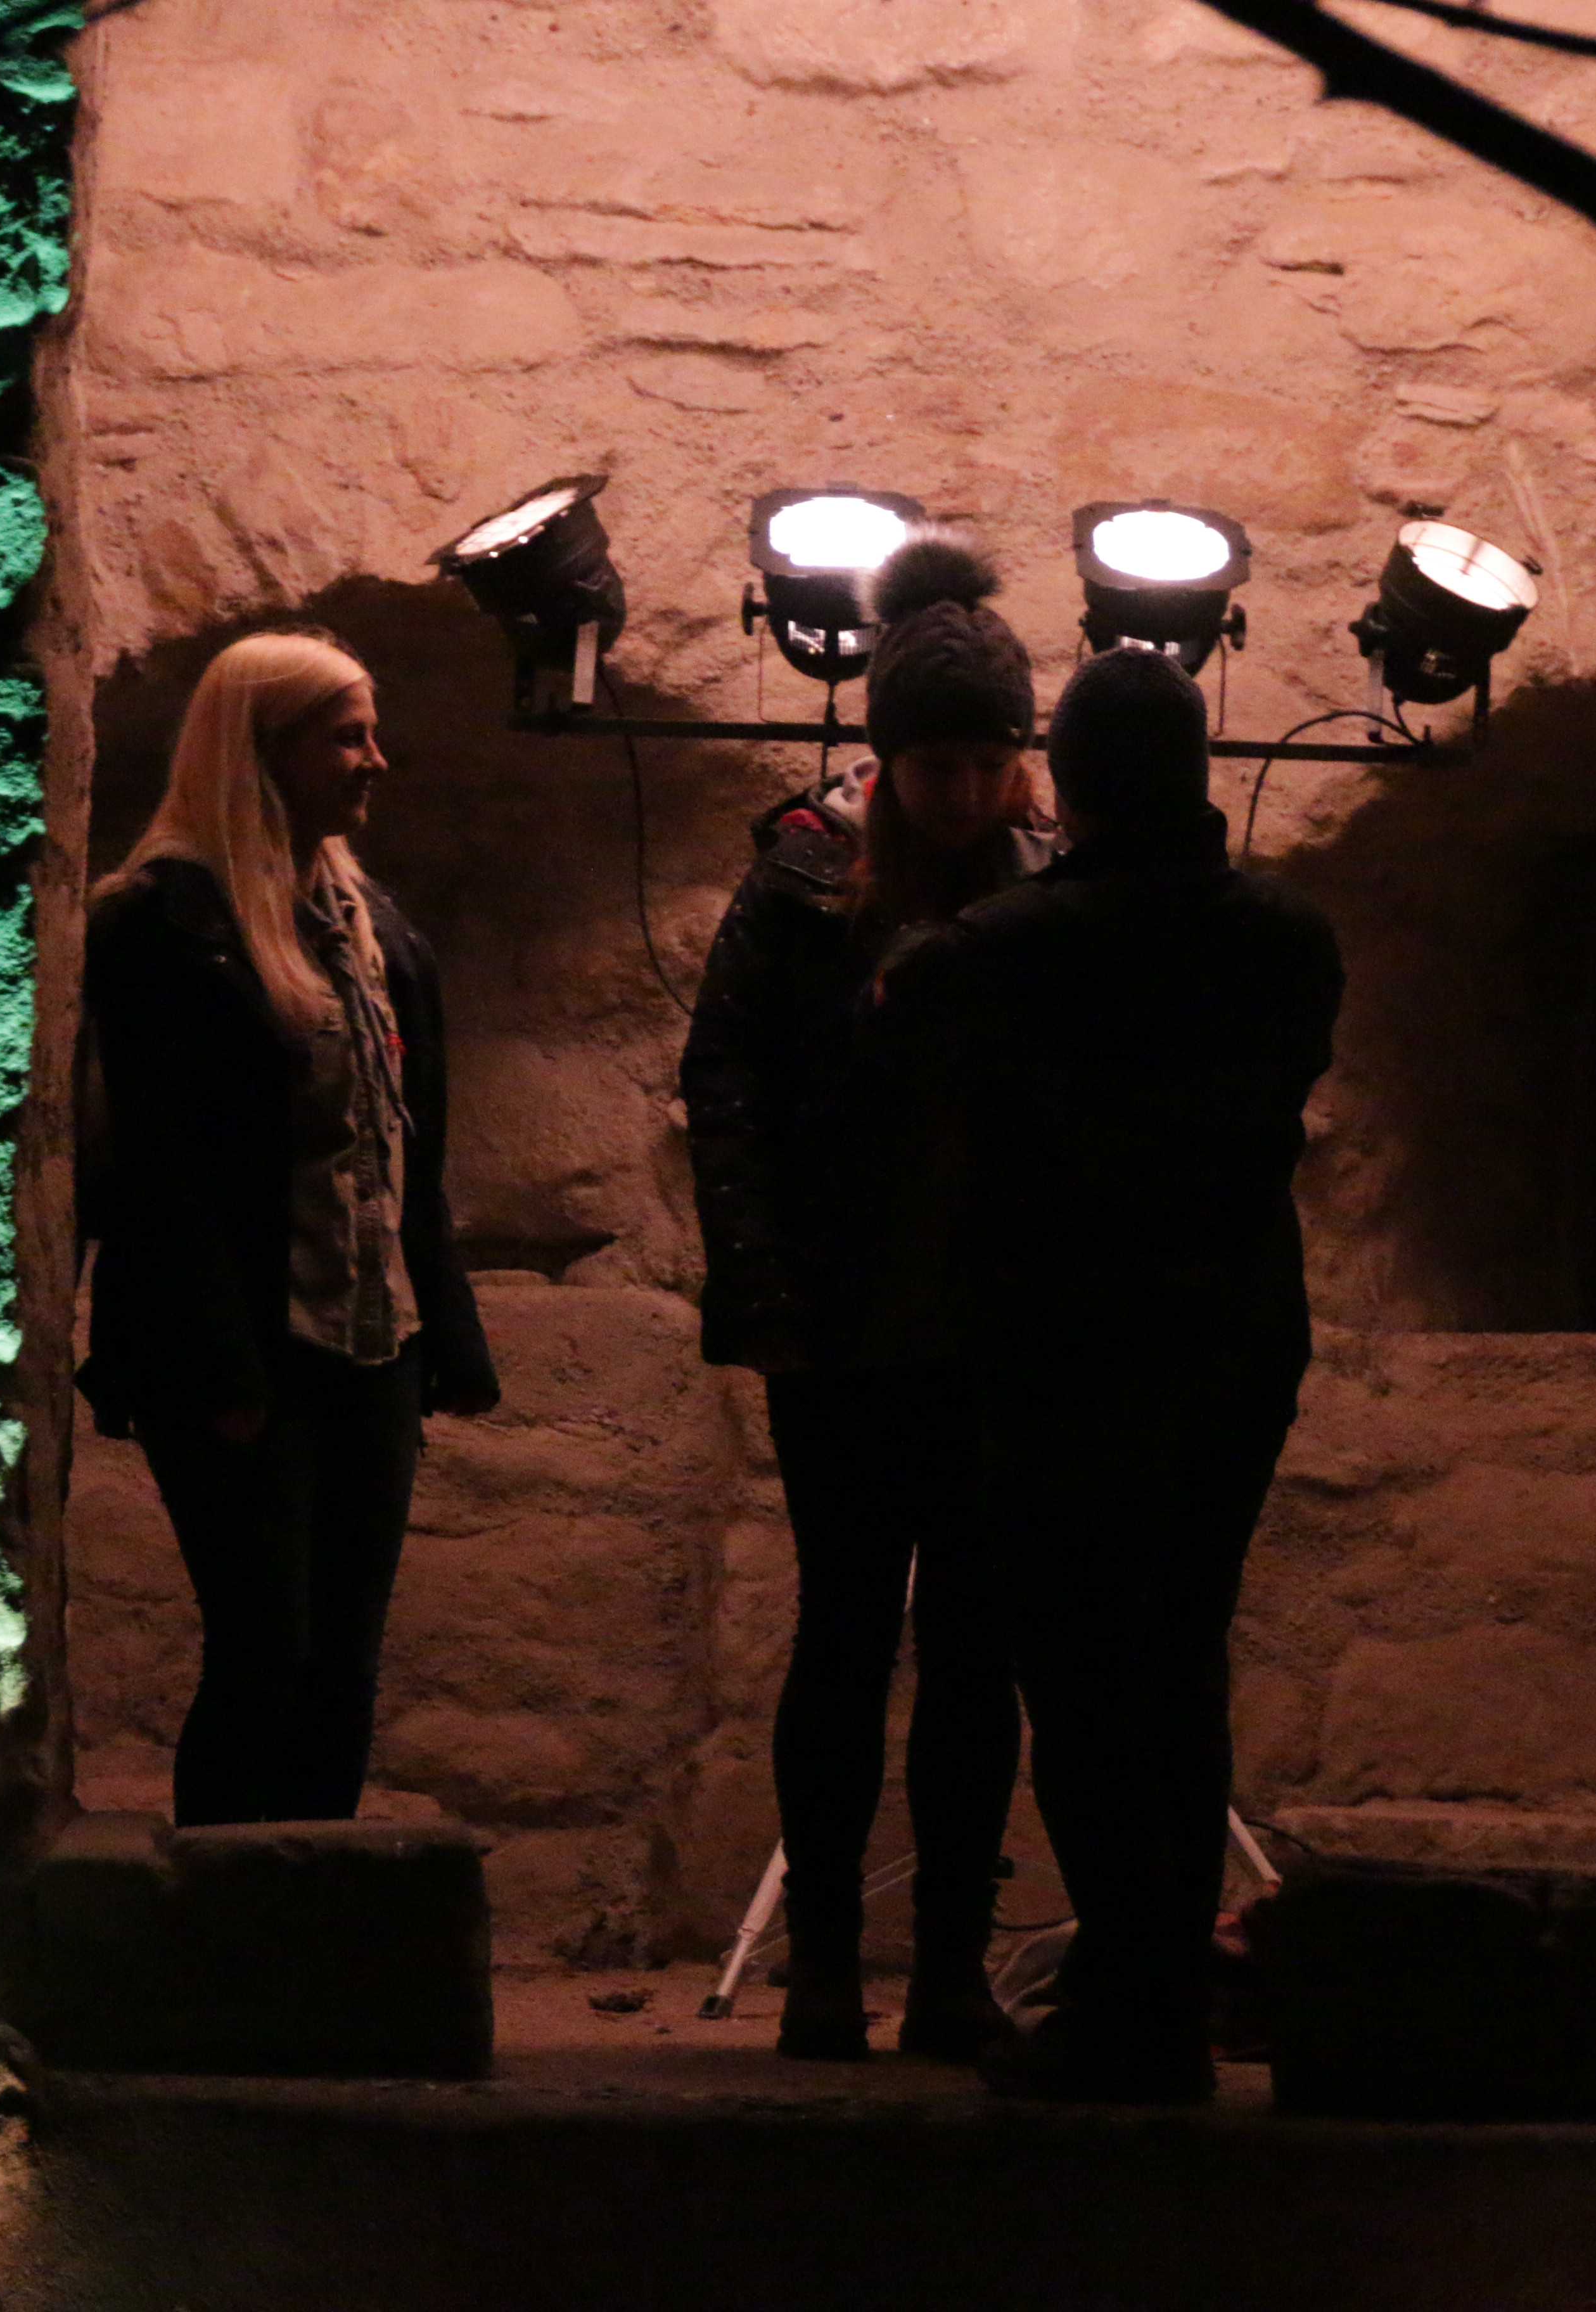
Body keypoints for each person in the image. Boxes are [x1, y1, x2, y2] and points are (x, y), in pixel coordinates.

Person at [878, 645, 1344, 2105]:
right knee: (1182, 1655)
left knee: (1078, 1676)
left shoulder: (996, 951)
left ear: (1062, 787)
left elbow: (897, 1069)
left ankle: (1130, 2005)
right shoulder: (1291, 939)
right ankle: (1160, 1998)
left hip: (1063, 1345)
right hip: (1234, 1337)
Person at [680, 534, 1050, 2062]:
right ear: (886, 758)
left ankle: (950, 1967)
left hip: (990, 1335)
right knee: (842, 1635)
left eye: (987, 764)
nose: (963, 793)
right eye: (937, 765)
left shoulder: (1043, 886)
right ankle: (825, 1966)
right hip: (842, 1325)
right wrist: (763, 1279)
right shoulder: (803, 881)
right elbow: (724, 1084)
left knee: (974, 1650)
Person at [82, 627, 501, 1828]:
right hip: (249, 1348)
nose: (376, 761)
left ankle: (317, 1903)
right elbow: (162, 1168)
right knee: (265, 1649)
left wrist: (445, 1331)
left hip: (369, 1342)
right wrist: (223, 1366)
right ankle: (227, 1914)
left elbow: (405, 1150)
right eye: (346, 738)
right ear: (259, 753)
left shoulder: (368, 924)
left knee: (341, 1666)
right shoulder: (166, 925)